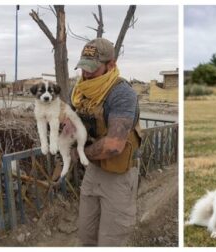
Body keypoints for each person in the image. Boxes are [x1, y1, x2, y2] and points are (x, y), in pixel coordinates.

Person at [68, 38, 142, 246]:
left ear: (111, 65)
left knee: (111, 240)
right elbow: (70, 116)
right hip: (94, 171)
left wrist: (80, 154)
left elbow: (113, 146)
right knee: (86, 234)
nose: (86, 74)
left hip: (118, 176)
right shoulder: (80, 91)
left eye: (92, 69)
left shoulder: (122, 94)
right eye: (83, 68)